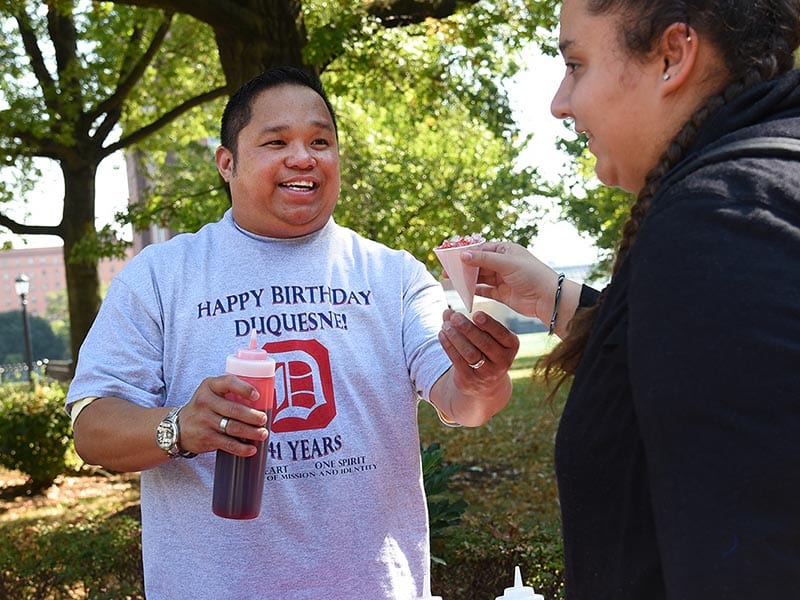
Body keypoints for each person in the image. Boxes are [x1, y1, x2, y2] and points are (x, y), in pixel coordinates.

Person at [66, 66, 519, 600]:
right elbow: (91, 428)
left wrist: (481, 379)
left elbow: (461, 401)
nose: (303, 157)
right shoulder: (161, 276)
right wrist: (180, 427)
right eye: (276, 141)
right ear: (227, 163)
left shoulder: (391, 274)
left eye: (320, 141)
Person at [461, 0, 800, 597]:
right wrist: (555, 297)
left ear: (672, 55)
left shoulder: (723, 219)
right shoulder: (757, 188)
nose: (559, 103)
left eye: (576, 65)